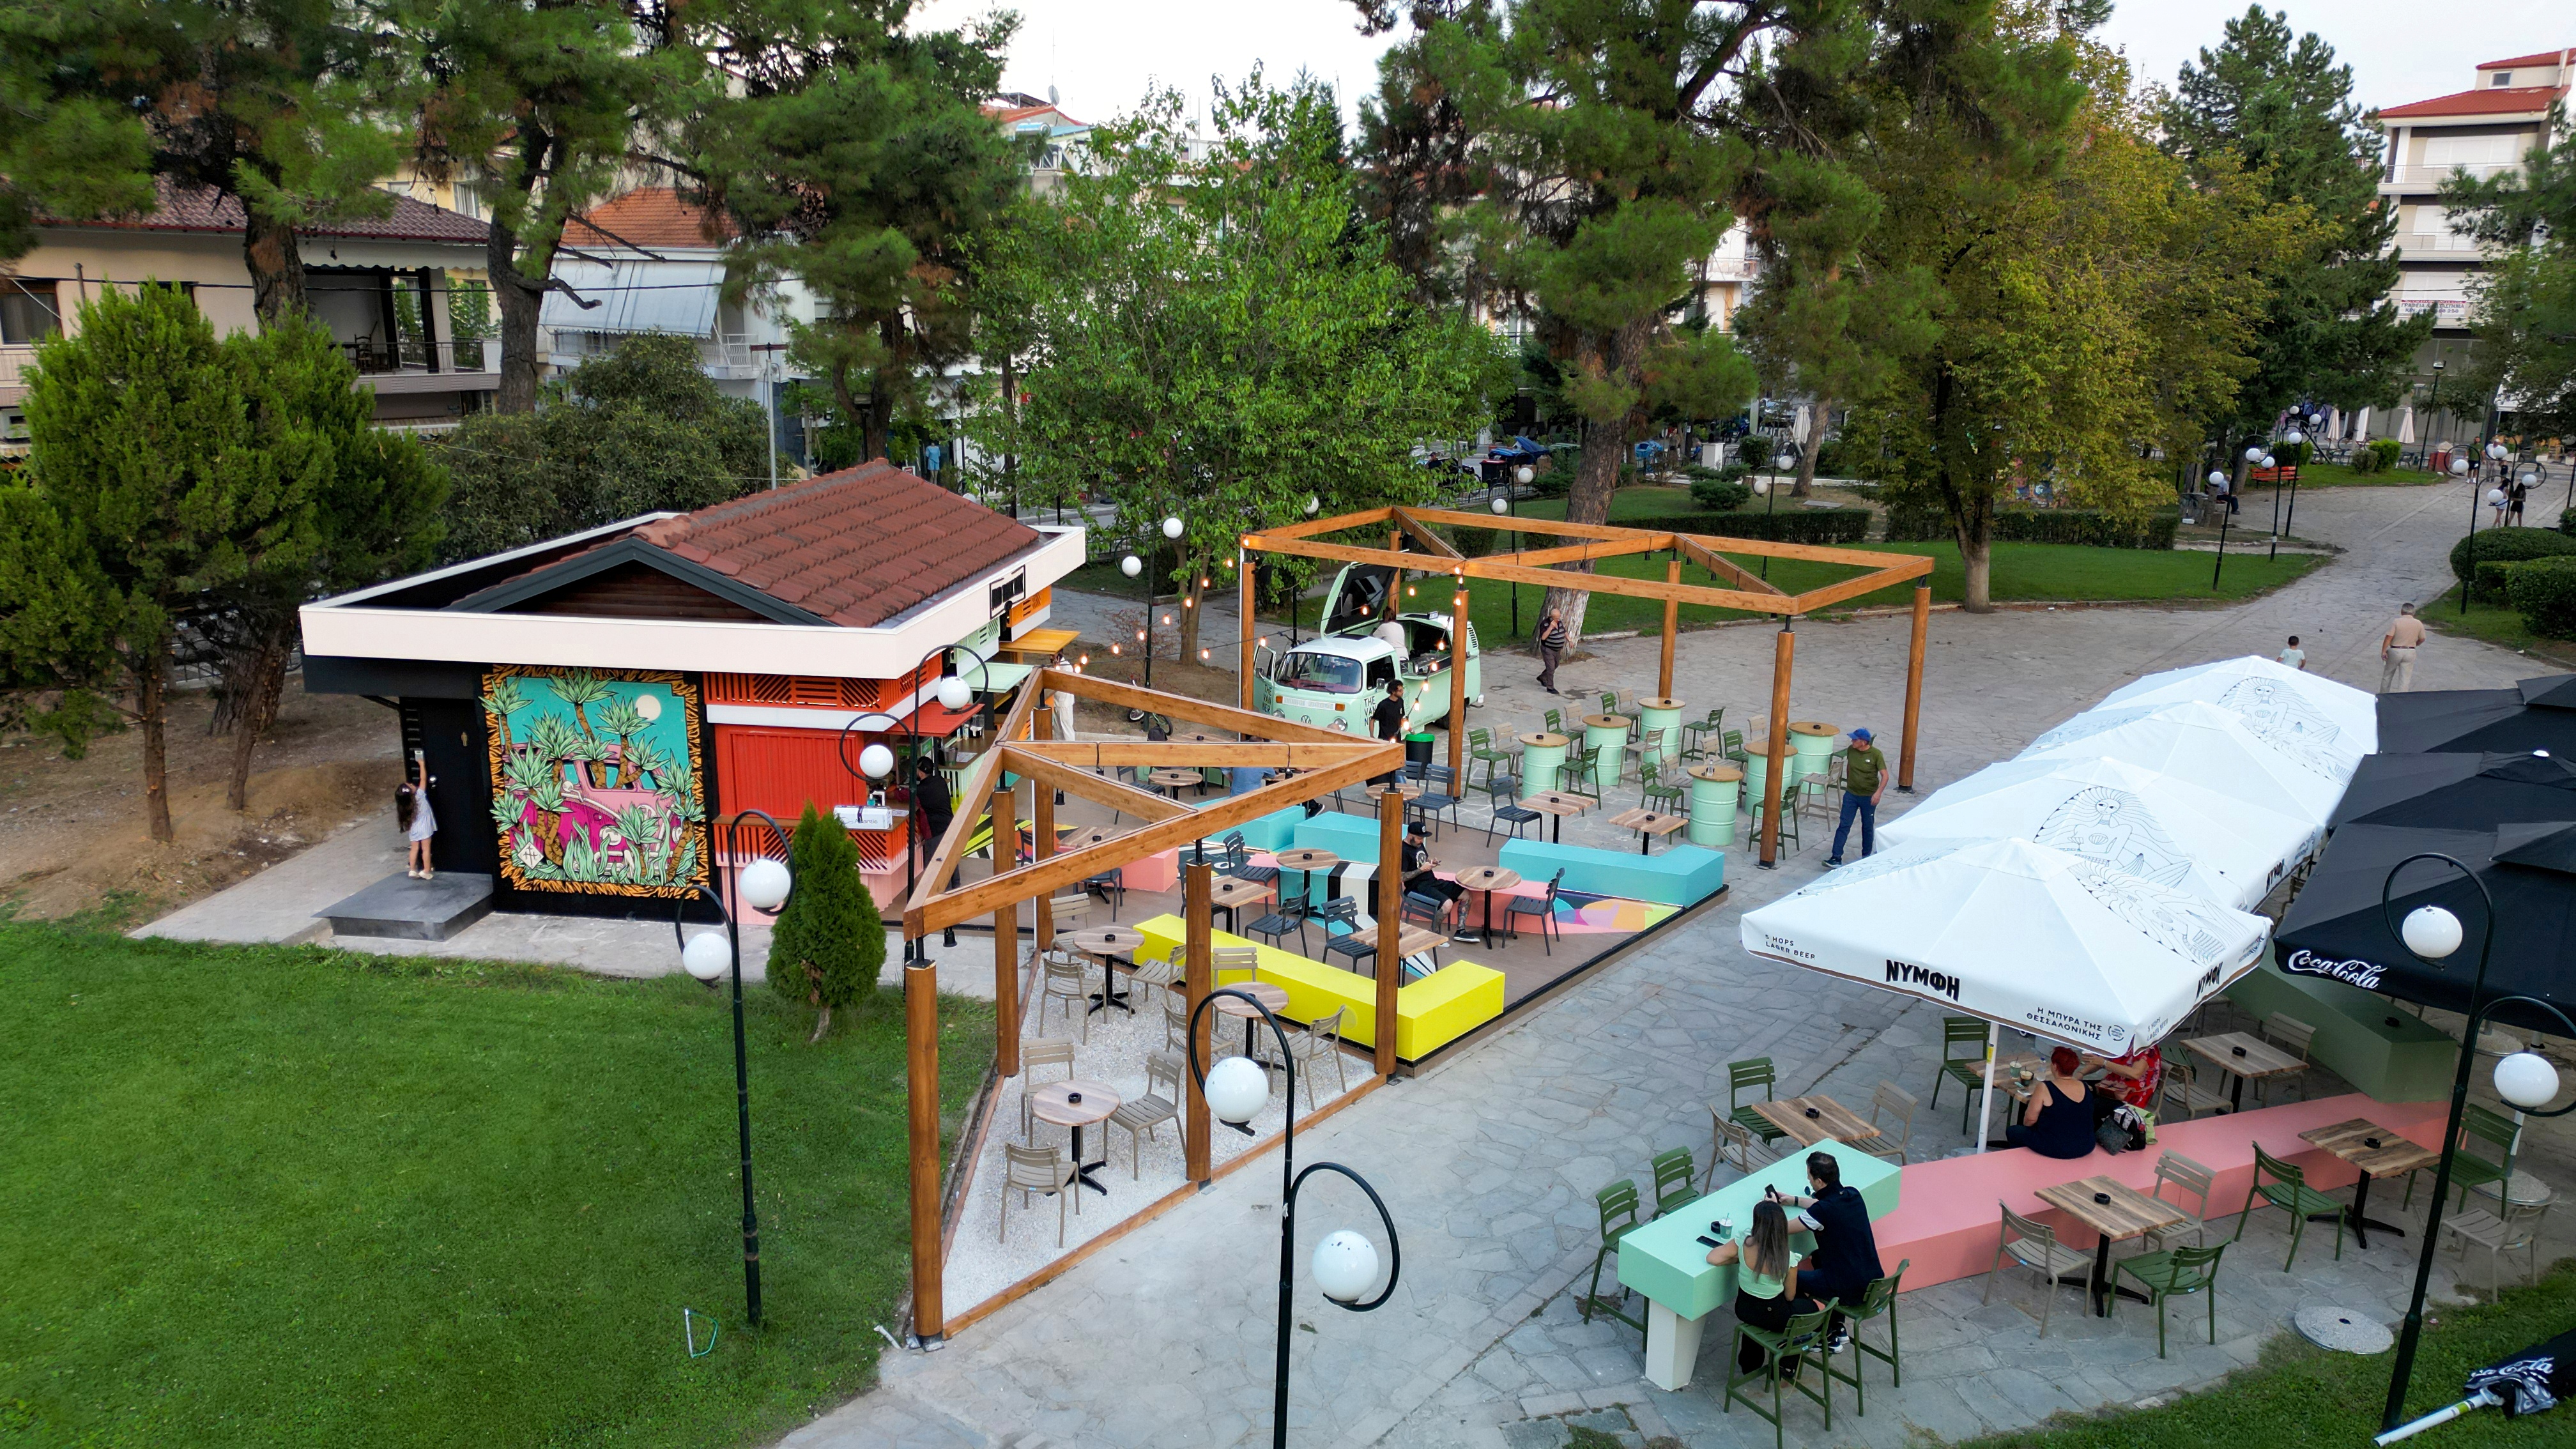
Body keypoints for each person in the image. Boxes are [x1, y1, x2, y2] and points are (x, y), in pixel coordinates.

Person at [1777, 1153, 1884, 1352]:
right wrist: (1793, 1200)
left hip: (1850, 1289)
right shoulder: (1852, 1194)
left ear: (1819, 1181)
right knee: (1819, 1256)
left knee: (1790, 1278)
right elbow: (1823, 1205)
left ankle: (1822, 1333)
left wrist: (1768, 1209)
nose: (1808, 1179)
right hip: (1872, 1280)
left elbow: (1782, 1228)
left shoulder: (1823, 1212)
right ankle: (1837, 1327)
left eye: (1809, 1176)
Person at [1705, 1199, 1823, 1379]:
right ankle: (1787, 1363)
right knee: (1814, 1307)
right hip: (1773, 1314)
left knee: (1761, 1316)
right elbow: (1790, 1296)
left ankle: (1750, 1364)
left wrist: (1739, 1259)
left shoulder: (1743, 1242)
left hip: (1744, 1309)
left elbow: (1713, 1258)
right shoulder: (1788, 1258)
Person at [2000, 1046, 2097, 1160]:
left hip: (2055, 1148)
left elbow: (2030, 1120)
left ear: (2055, 1066)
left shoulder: (2045, 1087)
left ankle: (2023, 1161)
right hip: (2086, 1145)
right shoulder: (2084, 1086)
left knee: (2014, 1131)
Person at [1823, 728, 1888, 868]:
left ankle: (1866, 856)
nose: (1852, 741)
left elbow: (1885, 776)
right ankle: (1836, 857)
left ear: (1863, 742)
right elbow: (1850, 767)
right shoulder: (1851, 750)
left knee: (1867, 826)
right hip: (1851, 794)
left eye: (1855, 739)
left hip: (1868, 796)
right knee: (1844, 825)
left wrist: (1878, 793)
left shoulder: (1876, 754)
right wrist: (1849, 783)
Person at [1400, 820, 1466, 929]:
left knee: (1466, 894)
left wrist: (1431, 863)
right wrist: (1421, 870)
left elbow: (1421, 860)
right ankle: (1432, 933)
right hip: (1417, 887)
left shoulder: (1418, 844)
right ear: (1410, 836)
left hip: (1432, 882)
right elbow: (1401, 877)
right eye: (1419, 838)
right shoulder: (1403, 851)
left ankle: (1461, 932)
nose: (1422, 841)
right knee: (1447, 905)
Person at [395, 752, 436, 880]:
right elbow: (423, 779)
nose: (413, 784)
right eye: (411, 785)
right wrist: (422, 765)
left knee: (414, 849)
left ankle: (412, 870)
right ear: (413, 791)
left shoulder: (405, 806)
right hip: (425, 828)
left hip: (414, 828)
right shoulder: (420, 795)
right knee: (426, 849)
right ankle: (426, 870)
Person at [2380, 602, 2426, 693]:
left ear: (2402, 611)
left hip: (2395, 650)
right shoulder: (2418, 623)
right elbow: (2422, 638)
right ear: (2414, 612)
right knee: (2405, 679)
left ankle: (2383, 695)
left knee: (2388, 675)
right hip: (2410, 651)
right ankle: (2401, 697)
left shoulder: (2397, 622)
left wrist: (2384, 651)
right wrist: (2415, 644)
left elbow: (2389, 637)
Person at [1370, 684, 1406, 786]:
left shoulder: (1401, 701)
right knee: (1386, 763)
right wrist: (1372, 736)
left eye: (1402, 690)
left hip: (1397, 739)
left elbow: (1401, 717)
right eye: (1400, 690)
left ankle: (1397, 784)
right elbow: (1373, 720)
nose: (1402, 692)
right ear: (1393, 692)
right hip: (1385, 739)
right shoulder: (1383, 705)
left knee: (1397, 763)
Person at [1535, 607, 1569, 694]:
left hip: (1557, 650)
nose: (1558, 619)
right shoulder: (1545, 624)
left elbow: (1564, 631)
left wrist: (1569, 640)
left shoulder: (1559, 622)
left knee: (1556, 665)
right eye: (1556, 618)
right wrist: (1550, 628)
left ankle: (1542, 677)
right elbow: (1543, 637)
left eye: (1559, 617)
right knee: (1551, 669)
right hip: (1548, 649)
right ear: (1551, 617)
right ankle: (1550, 687)